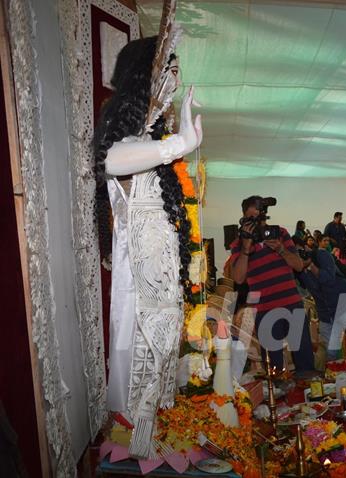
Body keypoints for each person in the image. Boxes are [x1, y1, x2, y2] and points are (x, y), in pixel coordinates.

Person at [95, 34, 203, 456]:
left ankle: (147, 446)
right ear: (145, 75)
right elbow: (112, 160)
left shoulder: (151, 142)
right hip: (138, 286)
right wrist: (178, 145)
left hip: (161, 283)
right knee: (138, 366)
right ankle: (135, 449)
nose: (175, 78)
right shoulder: (134, 139)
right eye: (168, 69)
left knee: (159, 368)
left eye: (177, 70)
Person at [227, 196, 315, 375]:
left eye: (258, 217)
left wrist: (281, 249)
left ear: (265, 217)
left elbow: (298, 265)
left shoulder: (280, 234)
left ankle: (307, 397)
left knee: (304, 359)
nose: (256, 223)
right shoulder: (238, 244)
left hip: (292, 304)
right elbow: (238, 278)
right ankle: (279, 400)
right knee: (274, 368)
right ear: (243, 219)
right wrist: (245, 248)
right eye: (250, 219)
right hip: (265, 310)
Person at [296, 245, 346, 363]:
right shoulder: (297, 270)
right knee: (330, 352)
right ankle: (333, 376)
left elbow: (328, 278)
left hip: (345, 302)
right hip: (325, 311)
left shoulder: (321, 255)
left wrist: (311, 265)